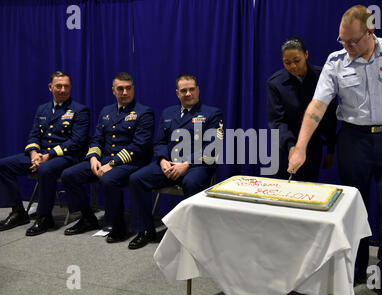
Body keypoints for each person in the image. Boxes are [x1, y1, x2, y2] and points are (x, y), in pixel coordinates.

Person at [287, 5, 382, 295]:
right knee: (353, 209)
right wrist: (300, 147)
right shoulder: (335, 61)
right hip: (354, 142)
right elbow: (317, 106)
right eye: (343, 41)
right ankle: (354, 269)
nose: (348, 47)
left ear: (370, 32)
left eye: (353, 41)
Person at [127, 73, 223, 250]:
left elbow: (213, 146)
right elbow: (160, 142)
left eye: (191, 89)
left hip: (197, 165)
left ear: (198, 90)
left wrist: (186, 164)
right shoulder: (168, 113)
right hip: (168, 165)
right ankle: (145, 230)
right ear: (177, 93)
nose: (188, 94)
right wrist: (163, 160)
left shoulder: (212, 113)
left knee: (192, 182)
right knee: (137, 179)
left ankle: (192, 236)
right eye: (184, 91)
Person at [61, 72, 154, 243]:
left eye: (128, 88)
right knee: (69, 175)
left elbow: (139, 146)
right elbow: (97, 139)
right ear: (113, 90)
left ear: (133, 89)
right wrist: (93, 158)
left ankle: (118, 226)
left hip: (131, 164)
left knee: (108, 180)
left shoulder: (144, 113)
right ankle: (88, 218)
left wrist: (112, 163)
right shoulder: (106, 111)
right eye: (120, 89)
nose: (124, 92)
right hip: (102, 161)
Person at [0, 71, 89, 236]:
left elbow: (77, 142)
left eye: (66, 86)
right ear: (50, 87)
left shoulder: (80, 110)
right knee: (4, 165)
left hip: (67, 157)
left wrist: (47, 156)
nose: (63, 90)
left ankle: (44, 217)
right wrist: (34, 154)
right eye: (59, 86)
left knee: (45, 169)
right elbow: (34, 135)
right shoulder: (42, 109)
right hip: (40, 156)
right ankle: (18, 212)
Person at [267, 37, 337, 182]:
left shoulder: (322, 77)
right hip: (285, 147)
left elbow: (330, 117)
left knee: (308, 189)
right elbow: (277, 121)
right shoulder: (275, 83)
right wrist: (292, 146)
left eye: (297, 60)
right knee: (282, 190)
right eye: (287, 63)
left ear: (306, 54)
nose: (293, 66)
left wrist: (330, 149)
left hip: (313, 146)